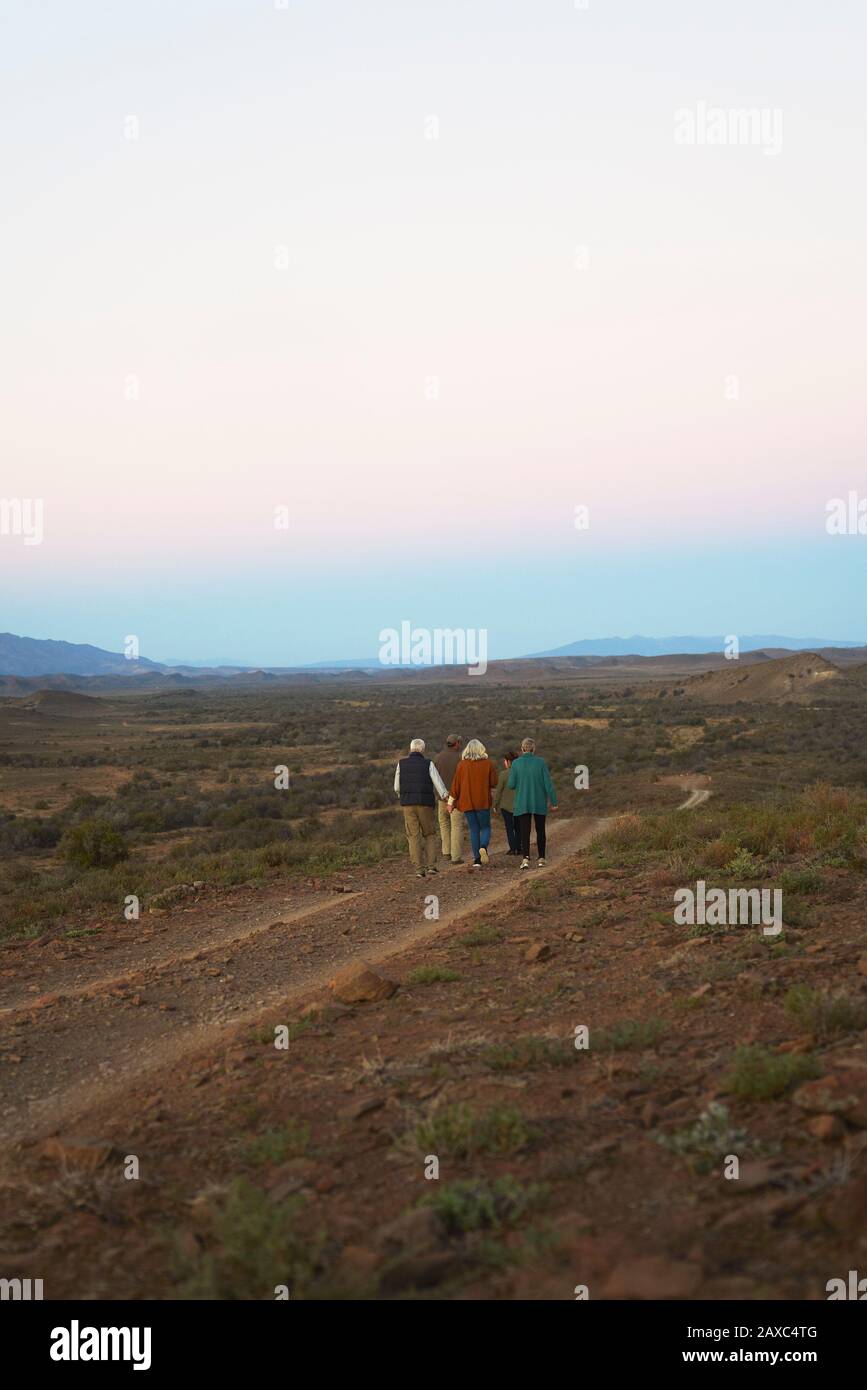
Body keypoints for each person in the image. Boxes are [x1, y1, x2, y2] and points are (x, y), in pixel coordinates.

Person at [394, 738, 449, 877]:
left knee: (413, 836)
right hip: (425, 804)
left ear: (410, 749)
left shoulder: (401, 763)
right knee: (429, 834)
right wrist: (445, 796)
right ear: (422, 749)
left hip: (408, 804)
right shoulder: (428, 763)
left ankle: (419, 869)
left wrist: (403, 795)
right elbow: (438, 782)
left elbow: (396, 787)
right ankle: (431, 866)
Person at [507, 736, 558, 869]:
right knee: (540, 830)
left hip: (522, 802)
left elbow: (511, 785)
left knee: (525, 831)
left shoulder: (516, 764)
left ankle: (525, 859)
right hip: (539, 802)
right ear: (533, 749)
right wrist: (554, 801)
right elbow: (548, 784)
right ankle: (541, 858)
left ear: (522, 749)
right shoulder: (541, 763)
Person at [446, 739, 498, 868]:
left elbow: (455, 786)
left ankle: (477, 860)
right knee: (485, 827)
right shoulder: (488, 764)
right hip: (483, 801)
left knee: (474, 830)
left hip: (467, 802)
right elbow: (494, 782)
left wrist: (450, 802)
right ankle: (483, 847)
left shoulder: (462, 765)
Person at [433, 734, 465, 864]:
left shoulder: (437, 758)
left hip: (442, 798)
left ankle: (446, 852)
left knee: (444, 824)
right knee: (456, 826)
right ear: (456, 743)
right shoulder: (460, 758)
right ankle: (456, 857)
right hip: (456, 799)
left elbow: (434, 779)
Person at [492, 749, 520, 854]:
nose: (504, 763)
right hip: (519, 805)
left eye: (505, 761)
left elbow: (498, 791)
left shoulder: (503, 774)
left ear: (508, 762)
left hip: (506, 807)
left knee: (509, 828)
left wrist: (495, 804)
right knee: (519, 828)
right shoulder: (521, 773)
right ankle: (520, 848)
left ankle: (513, 848)